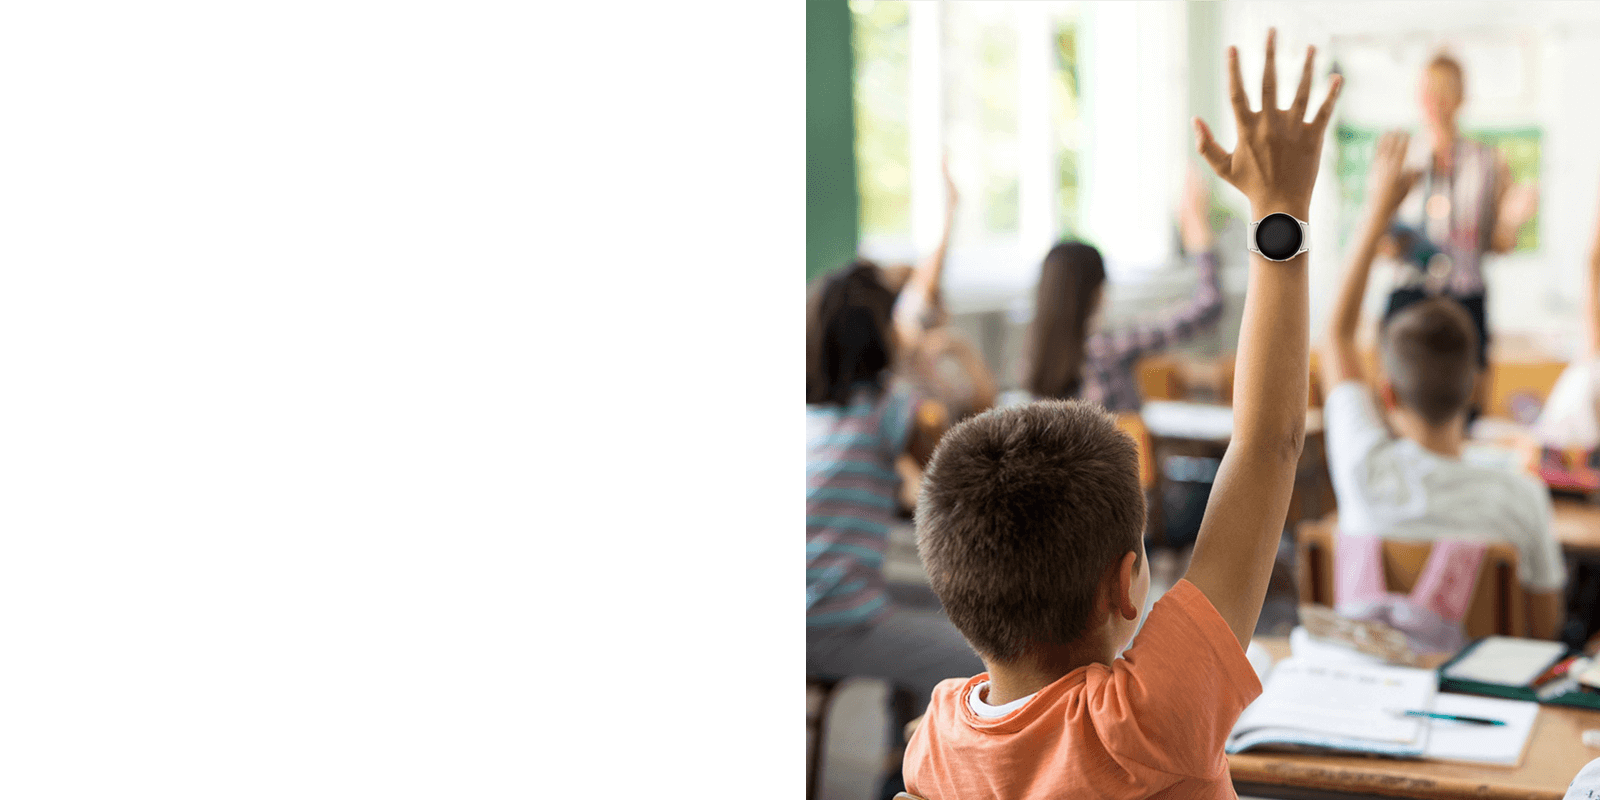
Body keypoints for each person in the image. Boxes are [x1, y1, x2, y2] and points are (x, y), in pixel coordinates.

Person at [903, 30, 1335, 797]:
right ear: (1128, 585)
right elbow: (1269, 442)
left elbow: (1268, 443)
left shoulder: (934, 745)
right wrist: (1281, 209)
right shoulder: (1147, 719)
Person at [1318, 130, 1567, 642]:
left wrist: (1378, 210)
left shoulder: (1362, 468)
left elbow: (1336, 336)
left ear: (1387, 394)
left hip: (1373, 685)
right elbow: (1544, 634)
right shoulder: (1522, 500)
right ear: (1476, 388)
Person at [804, 260, 984, 800]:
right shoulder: (888, 408)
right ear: (881, 335)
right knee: (987, 657)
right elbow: (961, 470)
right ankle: (915, 778)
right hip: (832, 624)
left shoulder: (815, 415)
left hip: (823, 608)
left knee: (933, 608)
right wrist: (921, 365)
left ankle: (896, 768)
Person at [1384, 51, 1540, 419]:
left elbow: (1499, 244)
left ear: (1461, 97)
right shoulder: (1400, 157)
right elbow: (1381, 245)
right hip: (1411, 294)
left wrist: (1512, 220)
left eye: (1445, 91)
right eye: (1429, 90)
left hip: (1465, 296)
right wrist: (1393, 241)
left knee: (1467, 406)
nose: (1436, 101)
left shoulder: (1488, 161)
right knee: (1403, 404)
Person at [1014, 164, 1224, 412]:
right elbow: (1208, 305)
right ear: (1098, 292)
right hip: (1119, 438)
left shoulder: (1031, 360)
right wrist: (1198, 230)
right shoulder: (1107, 348)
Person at [883, 155, 999, 425]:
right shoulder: (909, 333)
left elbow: (985, 403)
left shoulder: (943, 351)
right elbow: (927, 281)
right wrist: (951, 208)